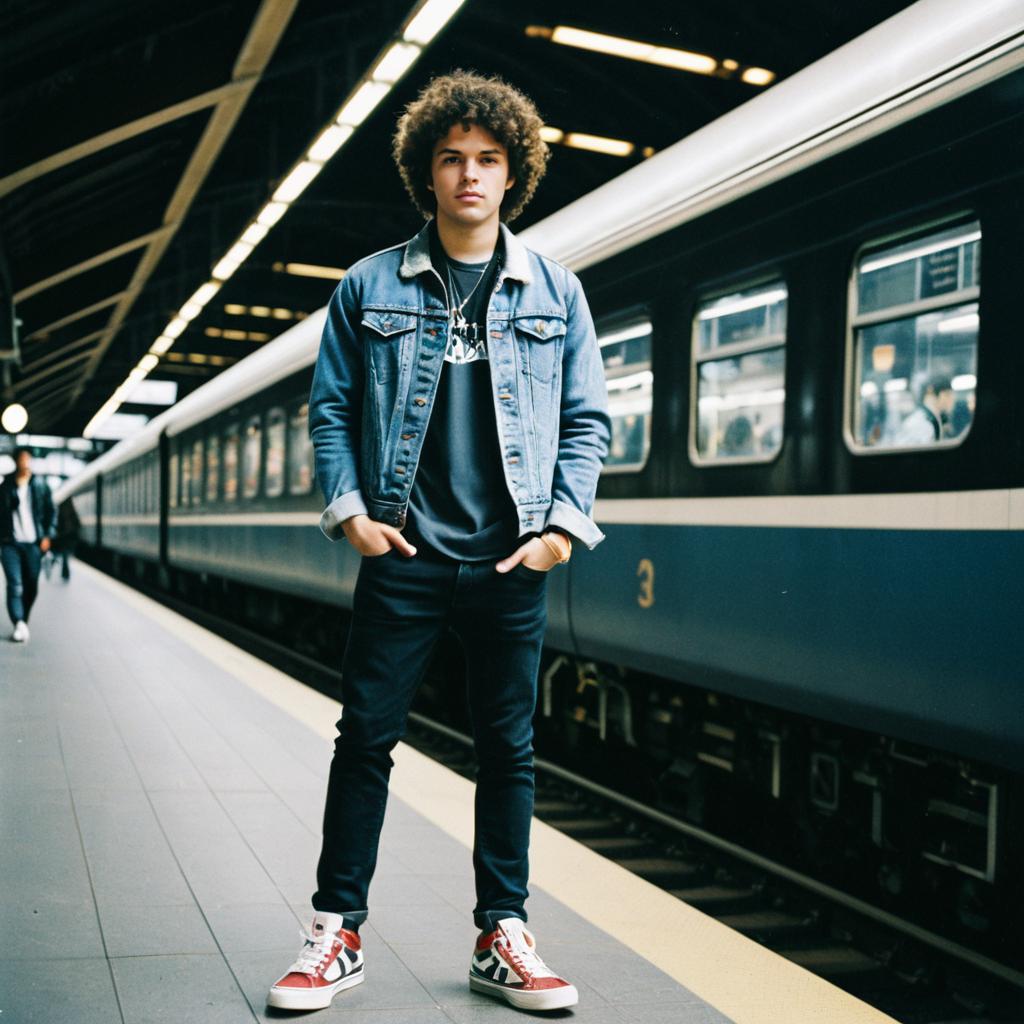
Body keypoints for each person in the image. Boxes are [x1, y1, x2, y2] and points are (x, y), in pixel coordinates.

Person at [267, 70, 610, 1014]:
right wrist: (351, 515)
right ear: (427, 171)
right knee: (365, 741)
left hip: (511, 559)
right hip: (405, 556)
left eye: (488, 159)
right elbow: (331, 410)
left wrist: (559, 533)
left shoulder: (557, 291)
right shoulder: (368, 285)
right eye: (452, 158)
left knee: (508, 750)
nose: (469, 174)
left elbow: (587, 421)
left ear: (513, 174)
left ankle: (504, 934)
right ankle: (335, 932)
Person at [0, 447, 56, 642]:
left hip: (33, 544)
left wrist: (47, 535)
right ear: (16, 461)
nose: (24, 461)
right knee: (15, 585)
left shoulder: (40, 485)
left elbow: (51, 511)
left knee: (31, 584)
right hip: (10, 543)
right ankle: (18, 622)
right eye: (21, 458)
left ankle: (23, 620)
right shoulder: (6, 486)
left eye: (27, 458)